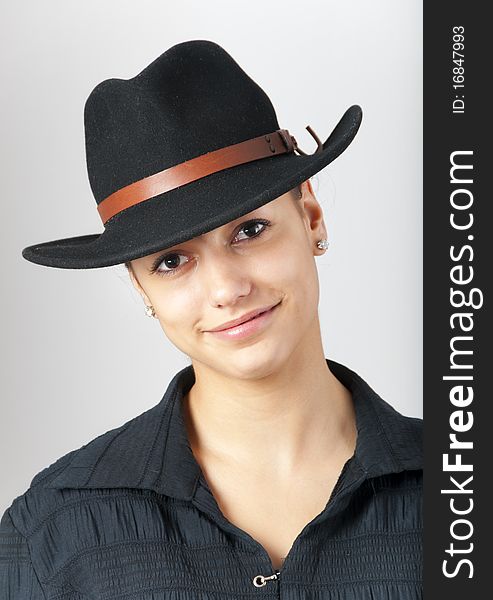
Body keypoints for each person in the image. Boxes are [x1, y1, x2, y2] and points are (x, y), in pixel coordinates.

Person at [0, 40, 422, 598]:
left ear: (312, 217)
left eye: (249, 230)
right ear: (140, 287)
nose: (227, 288)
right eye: (172, 261)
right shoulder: (54, 533)